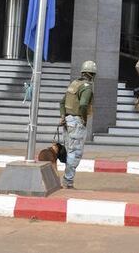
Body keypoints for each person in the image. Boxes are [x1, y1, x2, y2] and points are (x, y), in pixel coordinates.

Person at [59, 60, 96, 189]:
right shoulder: (86, 87)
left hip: (68, 121)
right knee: (75, 153)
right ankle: (68, 181)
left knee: (70, 150)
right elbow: (84, 105)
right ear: (93, 74)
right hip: (77, 122)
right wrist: (84, 119)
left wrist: (63, 117)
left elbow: (62, 102)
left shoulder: (74, 84)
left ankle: (67, 180)